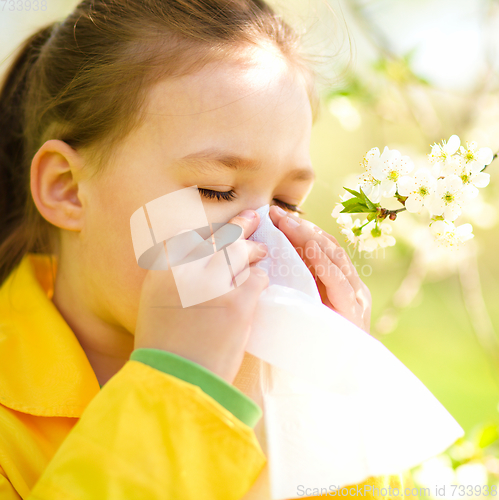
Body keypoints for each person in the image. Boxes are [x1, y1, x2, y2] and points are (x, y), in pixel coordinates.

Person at [0, 0, 412, 498]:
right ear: (68, 188)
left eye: (286, 202)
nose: (264, 237)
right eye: (216, 191)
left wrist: (323, 395)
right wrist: (180, 386)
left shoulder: (274, 379)